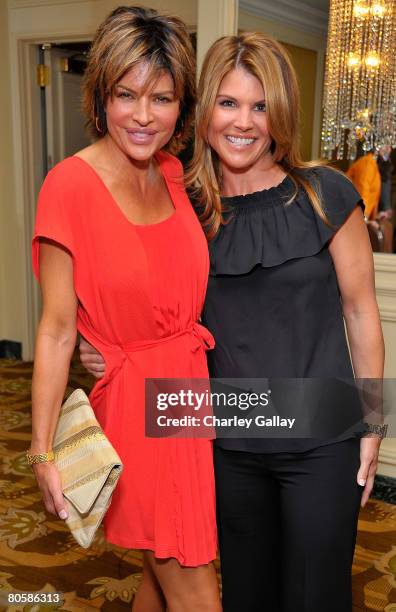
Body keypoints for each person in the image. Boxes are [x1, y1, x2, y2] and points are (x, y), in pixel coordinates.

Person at [81, 31, 384, 612]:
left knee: (315, 596)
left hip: (322, 434)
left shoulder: (325, 195)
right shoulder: (179, 207)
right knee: (246, 593)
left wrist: (373, 424)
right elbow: (142, 306)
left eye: (260, 105)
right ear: (205, 112)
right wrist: (103, 350)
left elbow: (361, 311)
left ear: (281, 114)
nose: (243, 122)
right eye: (228, 103)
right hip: (221, 437)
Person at [28, 7, 221, 612]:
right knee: (190, 575)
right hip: (138, 406)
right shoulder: (69, 185)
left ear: (181, 104)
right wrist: (42, 452)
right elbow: (58, 330)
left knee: (157, 572)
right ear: (100, 96)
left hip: (187, 394)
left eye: (161, 98)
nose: (143, 116)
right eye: (126, 95)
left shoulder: (170, 172)